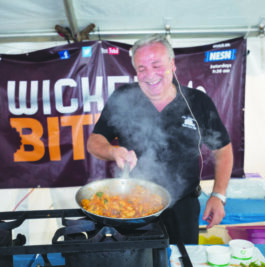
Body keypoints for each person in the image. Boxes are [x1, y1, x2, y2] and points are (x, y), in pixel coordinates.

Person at [87, 34, 233, 244]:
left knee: (181, 260)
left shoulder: (197, 102)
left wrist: (218, 196)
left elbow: (223, 150)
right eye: (141, 68)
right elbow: (94, 142)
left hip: (183, 205)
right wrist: (113, 151)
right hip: (134, 207)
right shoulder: (123, 98)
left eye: (156, 65)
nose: (149, 75)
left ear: (172, 65)